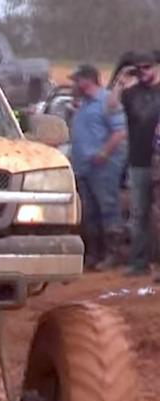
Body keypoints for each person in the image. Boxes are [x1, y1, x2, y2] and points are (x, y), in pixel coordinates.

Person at [70, 63, 128, 271]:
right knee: (90, 212)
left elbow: (120, 132)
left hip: (103, 166)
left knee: (108, 208)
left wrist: (104, 153)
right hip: (84, 166)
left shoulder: (107, 102)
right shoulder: (84, 104)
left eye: (77, 80)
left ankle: (114, 254)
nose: (74, 84)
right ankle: (95, 254)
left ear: (88, 80)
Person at [109, 51, 160, 277]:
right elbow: (110, 107)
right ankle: (139, 263)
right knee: (139, 214)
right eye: (140, 68)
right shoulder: (130, 93)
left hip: (157, 159)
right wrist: (120, 82)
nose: (144, 72)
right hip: (138, 161)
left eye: (148, 67)